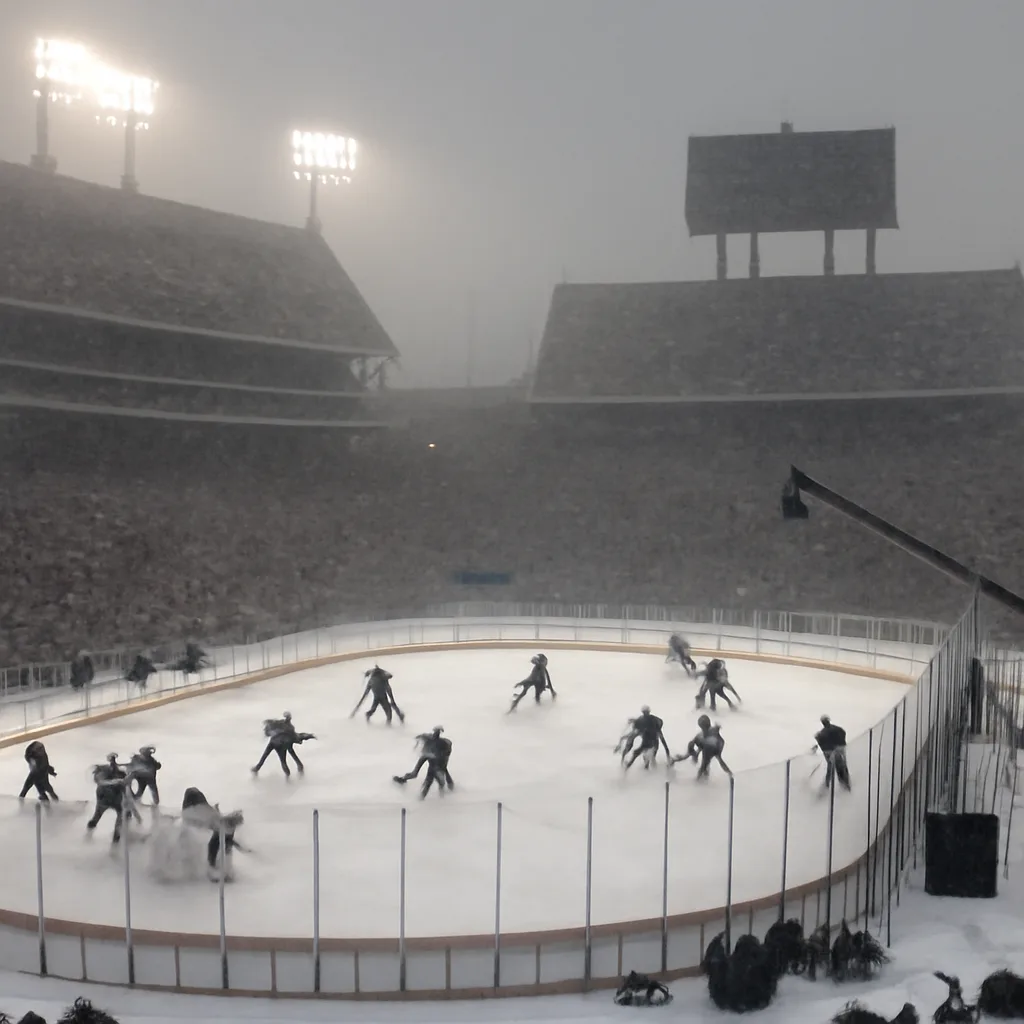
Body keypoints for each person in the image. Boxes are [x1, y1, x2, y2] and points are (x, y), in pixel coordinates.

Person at [86, 754, 140, 842]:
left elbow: (127, 790)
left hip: (116, 798)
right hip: (104, 798)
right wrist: (116, 782)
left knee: (124, 815)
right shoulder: (103, 772)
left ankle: (117, 839)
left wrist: (136, 813)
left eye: (114, 760)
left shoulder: (121, 774)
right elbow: (101, 782)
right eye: (111, 760)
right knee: (97, 816)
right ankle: (88, 835)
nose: (113, 762)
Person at [251, 712, 316, 777]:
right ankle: (298, 767)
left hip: (276, 742)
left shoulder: (281, 724)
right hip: (284, 742)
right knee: (287, 755)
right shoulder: (289, 727)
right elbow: (295, 736)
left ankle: (257, 768)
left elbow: (268, 732)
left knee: (269, 756)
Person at [393, 727, 455, 792]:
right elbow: (418, 738)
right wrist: (417, 745)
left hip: (432, 757)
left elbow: (447, 750)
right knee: (415, 773)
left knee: (442, 769)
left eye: (437, 733)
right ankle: (403, 779)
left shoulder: (441, 741)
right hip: (427, 755)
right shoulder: (430, 738)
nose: (435, 735)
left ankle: (448, 785)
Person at [674, 715, 733, 779]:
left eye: (704, 727)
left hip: (714, 746)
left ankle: (701, 779)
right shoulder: (699, 737)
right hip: (707, 745)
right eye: (702, 727)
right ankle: (702, 777)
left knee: (707, 763)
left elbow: (716, 731)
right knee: (706, 763)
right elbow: (692, 748)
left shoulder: (711, 734)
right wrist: (690, 754)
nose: (703, 729)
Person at [619, 706, 672, 770]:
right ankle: (625, 769)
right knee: (638, 755)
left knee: (649, 758)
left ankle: (649, 770)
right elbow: (632, 736)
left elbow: (663, 742)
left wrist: (668, 757)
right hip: (646, 743)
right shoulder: (641, 722)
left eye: (646, 712)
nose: (645, 714)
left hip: (652, 743)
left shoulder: (654, 723)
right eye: (644, 713)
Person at [812, 715, 851, 791]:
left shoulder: (822, 733)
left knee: (832, 768)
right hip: (839, 750)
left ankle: (828, 786)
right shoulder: (837, 729)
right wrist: (842, 744)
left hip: (832, 752)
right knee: (841, 767)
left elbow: (821, 740)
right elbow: (843, 733)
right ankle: (845, 784)